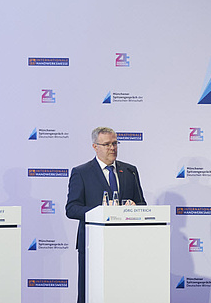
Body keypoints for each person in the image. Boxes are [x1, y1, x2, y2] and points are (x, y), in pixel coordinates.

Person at [65, 127, 146, 303]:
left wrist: (133, 206)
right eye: (107, 144)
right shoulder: (82, 172)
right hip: (92, 244)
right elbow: (71, 208)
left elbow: (142, 204)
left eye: (115, 143)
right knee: (90, 293)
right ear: (95, 146)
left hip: (125, 245)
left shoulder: (130, 171)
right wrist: (100, 212)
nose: (112, 148)